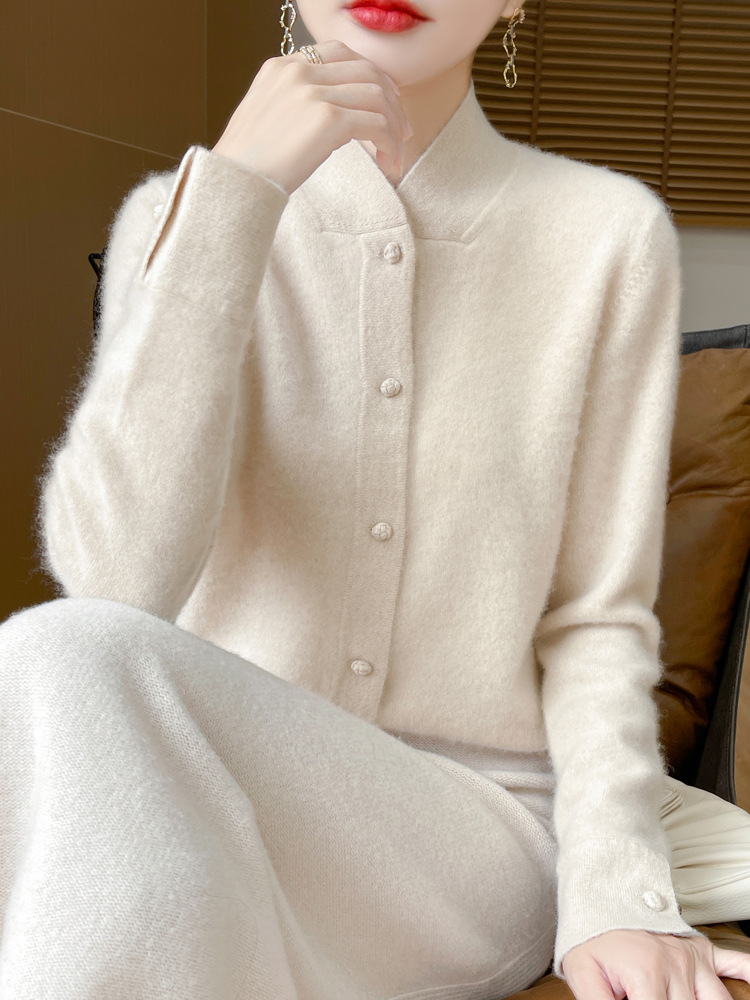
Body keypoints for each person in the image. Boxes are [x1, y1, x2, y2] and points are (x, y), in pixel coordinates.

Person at [2, 0, 749, 997]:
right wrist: (235, 195)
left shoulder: (605, 235)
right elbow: (113, 585)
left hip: (468, 835)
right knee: (54, 656)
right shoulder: (175, 213)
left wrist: (619, 893)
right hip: (210, 787)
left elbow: (595, 616)